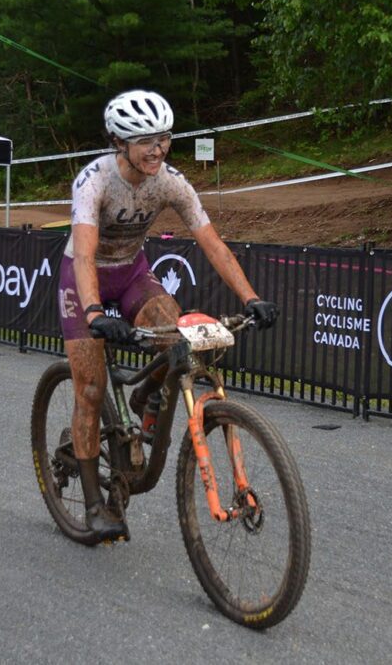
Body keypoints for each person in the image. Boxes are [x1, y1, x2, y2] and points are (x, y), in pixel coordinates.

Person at [60, 89, 278, 543]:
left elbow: (212, 242)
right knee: (91, 389)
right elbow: (82, 253)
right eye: (145, 141)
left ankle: (144, 399)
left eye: (163, 138)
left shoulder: (170, 181)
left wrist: (250, 296)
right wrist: (96, 311)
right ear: (119, 142)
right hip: (83, 279)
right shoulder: (93, 180)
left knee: (174, 331)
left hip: (133, 273)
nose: (157, 149)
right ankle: (95, 506)